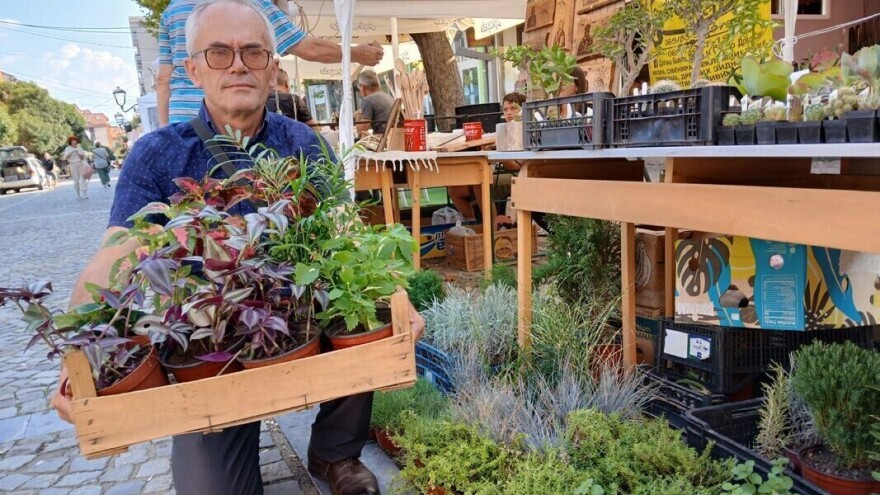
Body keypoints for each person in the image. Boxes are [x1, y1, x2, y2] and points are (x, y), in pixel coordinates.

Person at [50, 2, 424, 494]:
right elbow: (117, 256)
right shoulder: (158, 153)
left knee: (363, 317)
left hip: (301, 317)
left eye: (253, 51)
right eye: (220, 53)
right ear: (193, 69)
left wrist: (398, 297)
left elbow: (346, 234)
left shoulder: (303, 143)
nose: (239, 64)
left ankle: (335, 452)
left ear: (273, 66)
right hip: (211, 341)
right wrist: (74, 354)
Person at [156, 0, 385, 126]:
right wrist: (355, 54)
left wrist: (166, 130)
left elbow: (162, 79)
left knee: (190, 206)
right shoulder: (251, 7)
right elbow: (307, 47)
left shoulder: (171, 11)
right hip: (238, 125)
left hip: (181, 121)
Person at [449, 92, 527, 226]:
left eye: (513, 109)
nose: (508, 113)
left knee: (481, 182)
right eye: (505, 109)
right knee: (455, 189)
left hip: (518, 174)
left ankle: (492, 226)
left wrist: (498, 151)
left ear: (523, 110)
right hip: (498, 171)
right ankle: (474, 226)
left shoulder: (524, 130)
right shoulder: (504, 129)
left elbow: (516, 166)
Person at [355, 70, 394, 136]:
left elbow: (362, 129)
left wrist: (357, 116)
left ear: (363, 87)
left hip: (384, 139)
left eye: (359, 86)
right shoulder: (387, 95)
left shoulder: (368, 100)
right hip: (395, 135)